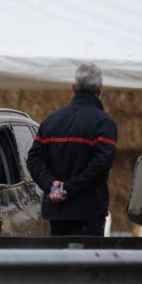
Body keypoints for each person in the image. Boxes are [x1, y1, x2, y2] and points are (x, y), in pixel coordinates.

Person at [26, 62, 118, 236]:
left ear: (74, 88)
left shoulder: (50, 121)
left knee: (59, 262)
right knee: (87, 262)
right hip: (89, 213)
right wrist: (69, 189)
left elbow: (34, 160)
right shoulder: (104, 123)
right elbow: (101, 163)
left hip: (57, 212)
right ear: (100, 89)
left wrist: (52, 185)